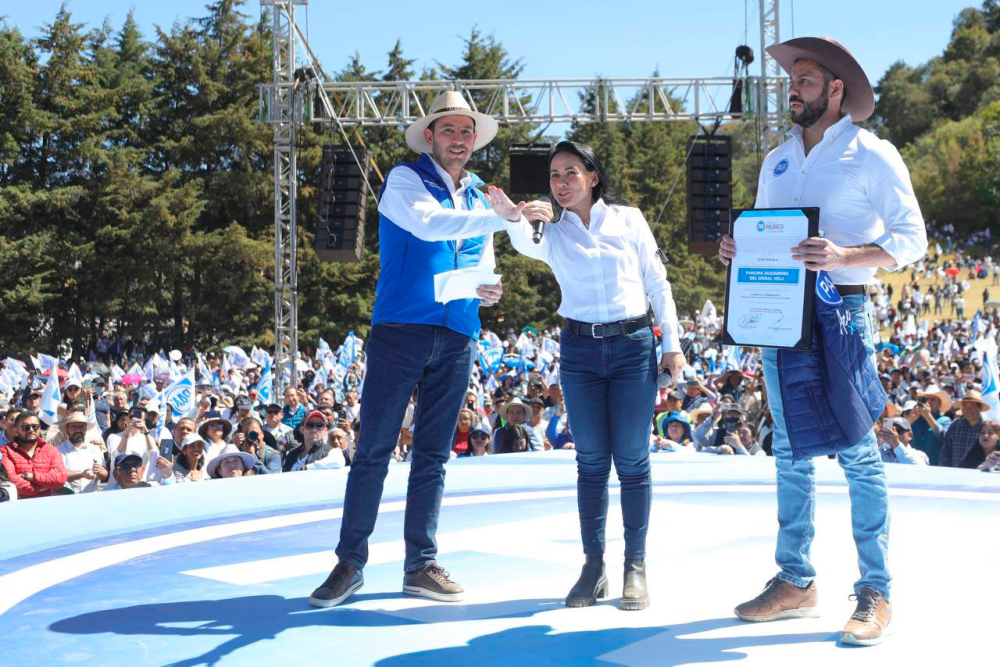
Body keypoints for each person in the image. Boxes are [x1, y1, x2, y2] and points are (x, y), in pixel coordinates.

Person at [719, 37, 927, 646]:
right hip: (780, 316)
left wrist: (844, 255)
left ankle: (875, 591)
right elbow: (762, 234)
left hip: (843, 312)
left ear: (836, 90)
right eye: (792, 81)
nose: (793, 88)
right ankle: (795, 580)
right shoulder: (777, 160)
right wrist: (739, 247)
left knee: (861, 453)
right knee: (787, 449)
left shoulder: (872, 153)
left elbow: (911, 240)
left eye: (805, 80)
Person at [310, 91, 514, 609]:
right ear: (430, 137)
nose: (460, 139)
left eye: (467, 132)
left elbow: (475, 263)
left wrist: (486, 288)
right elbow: (429, 224)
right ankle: (349, 563)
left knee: (433, 456)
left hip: (459, 332)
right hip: (401, 328)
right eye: (450, 130)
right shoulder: (404, 180)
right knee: (374, 450)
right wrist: (505, 217)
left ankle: (419, 564)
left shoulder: (478, 196)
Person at [489, 140, 685, 611]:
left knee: (634, 459)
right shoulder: (551, 232)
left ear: (593, 177)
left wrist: (672, 344)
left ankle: (634, 565)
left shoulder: (629, 219)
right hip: (580, 351)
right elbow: (524, 244)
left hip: (634, 346)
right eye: (554, 175)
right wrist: (513, 217)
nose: (560, 182)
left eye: (570, 172)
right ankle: (593, 566)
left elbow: (658, 282)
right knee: (591, 462)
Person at [0, 411, 68, 499]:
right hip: (18, 507)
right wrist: (41, 487)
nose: (31, 430)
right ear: (16, 430)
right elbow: (10, 481)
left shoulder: (51, 450)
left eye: (35, 426)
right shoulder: (5, 451)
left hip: (47, 505)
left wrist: (31, 476)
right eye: (26, 427)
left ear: (40, 429)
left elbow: (60, 479)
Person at [56, 412, 109, 494]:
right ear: (67, 429)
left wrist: (99, 471)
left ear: (86, 428)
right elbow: (58, 476)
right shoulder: (58, 450)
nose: (78, 430)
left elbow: (105, 474)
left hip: (91, 498)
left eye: (81, 427)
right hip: (67, 499)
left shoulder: (95, 449)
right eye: (74, 427)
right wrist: (81, 475)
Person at [940, 390, 988, 467]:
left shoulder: (986, 428)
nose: (968, 409)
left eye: (972, 406)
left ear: (979, 408)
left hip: (978, 475)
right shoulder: (955, 425)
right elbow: (945, 451)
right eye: (965, 406)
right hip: (955, 474)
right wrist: (946, 470)